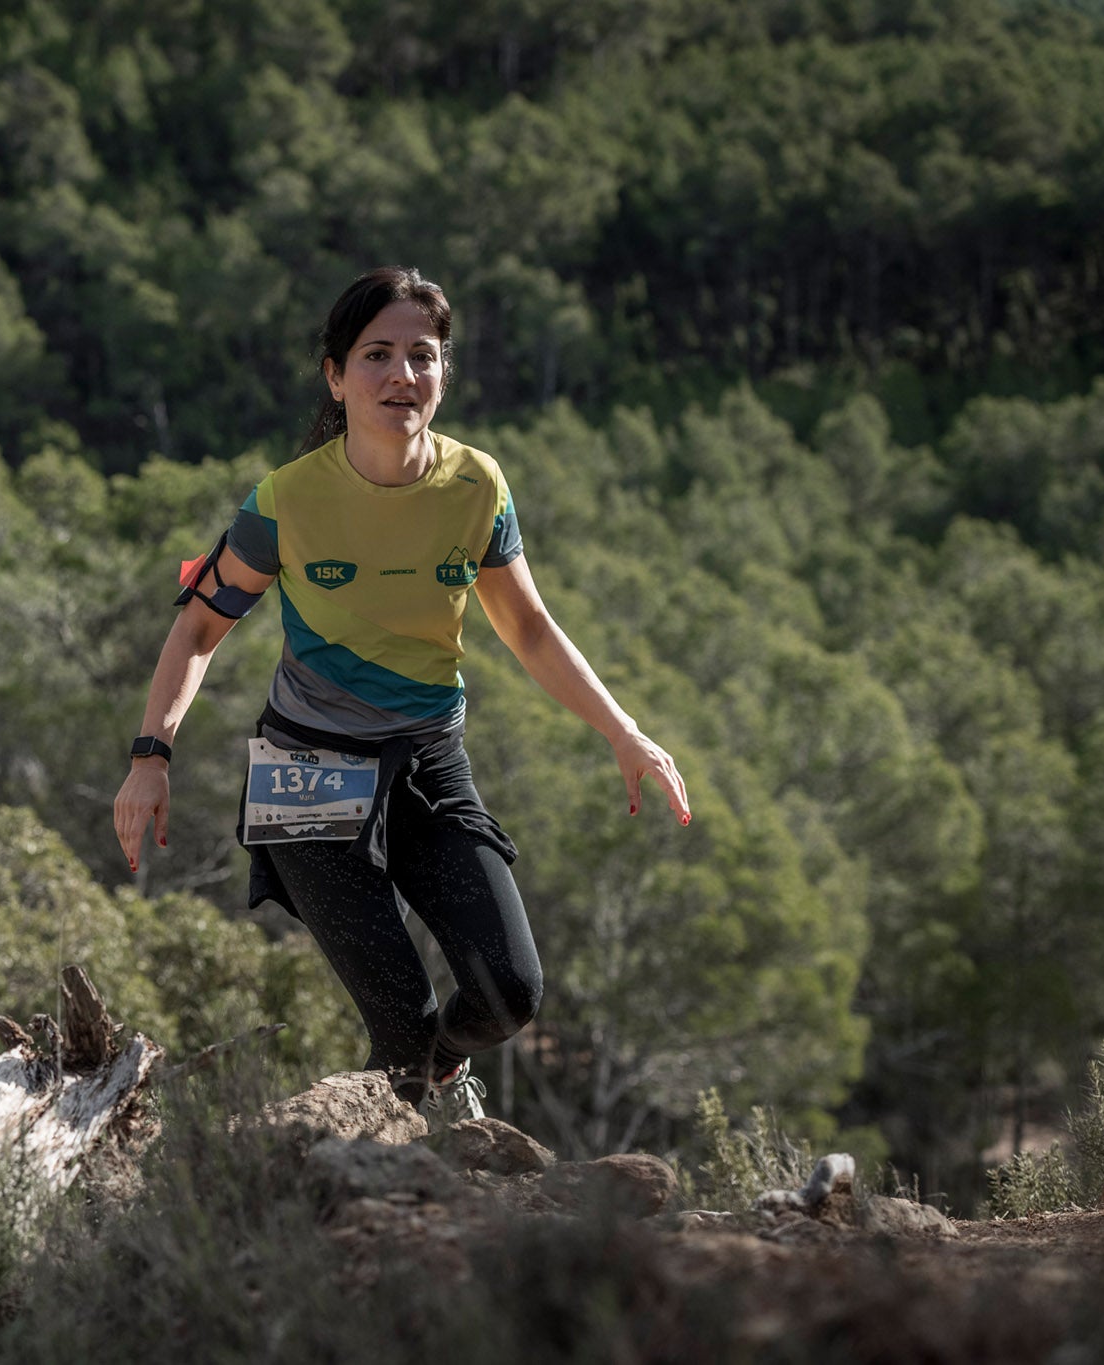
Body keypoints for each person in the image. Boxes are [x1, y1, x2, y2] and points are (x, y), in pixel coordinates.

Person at [112, 266, 691, 1124]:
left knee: (508, 992)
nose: (401, 375)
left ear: (444, 373)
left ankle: (429, 1090)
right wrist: (151, 755)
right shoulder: (286, 501)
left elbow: (528, 627)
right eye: (376, 355)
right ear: (336, 376)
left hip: (427, 760)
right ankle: (385, 1194)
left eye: (422, 355)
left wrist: (624, 731)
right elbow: (198, 627)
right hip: (305, 765)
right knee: (399, 1021)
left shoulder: (477, 487)